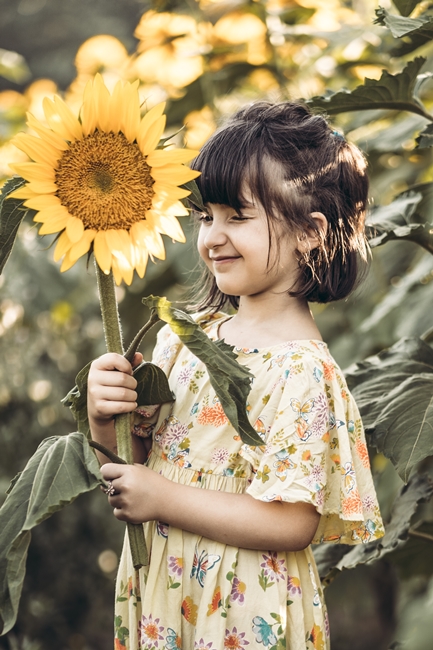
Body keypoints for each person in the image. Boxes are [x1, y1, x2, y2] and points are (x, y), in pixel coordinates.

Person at [88, 102, 384, 650]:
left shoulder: (301, 368)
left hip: (243, 608)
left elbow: (292, 523)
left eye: (238, 216)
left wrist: (163, 499)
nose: (212, 237)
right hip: (166, 593)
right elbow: (137, 467)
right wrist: (105, 419)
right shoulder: (182, 337)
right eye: (207, 216)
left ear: (309, 232)